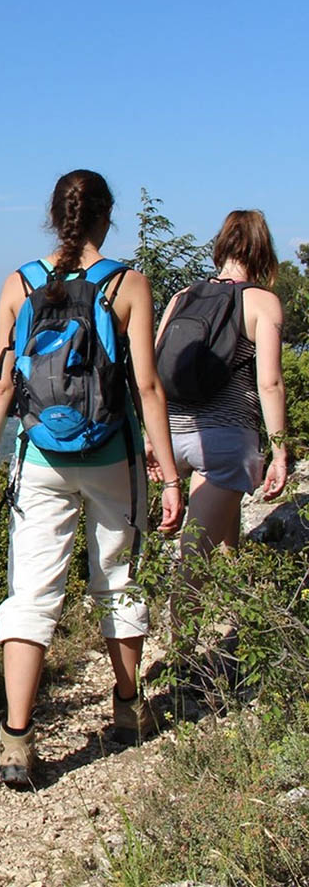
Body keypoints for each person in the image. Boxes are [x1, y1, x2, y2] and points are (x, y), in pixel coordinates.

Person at [0, 169, 184, 787]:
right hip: (111, 458)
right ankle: (127, 710)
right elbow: (146, 386)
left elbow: (3, 381)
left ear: (53, 214)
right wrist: (169, 476)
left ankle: (15, 741)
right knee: (116, 579)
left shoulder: (20, 283)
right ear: (105, 217)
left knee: (30, 594)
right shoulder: (128, 284)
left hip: (38, 458)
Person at [147, 209, 288, 652]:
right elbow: (269, 382)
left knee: (213, 523)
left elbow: (151, 375)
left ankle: (237, 579)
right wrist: (280, 450)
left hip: (174, 439)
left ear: (222, 247)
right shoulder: (262, 302)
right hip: (226, 442)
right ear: (262, 251)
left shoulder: (182, 297)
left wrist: (154, 442)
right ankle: (181, 661)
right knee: (192, 559)